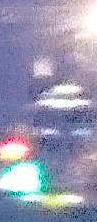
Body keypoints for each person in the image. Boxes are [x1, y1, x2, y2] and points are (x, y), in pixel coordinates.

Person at [35, 52, 92, 180]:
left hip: (52, 147)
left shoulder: (49, 93)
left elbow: (39, 119)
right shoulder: (81, 93)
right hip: (73, 148)